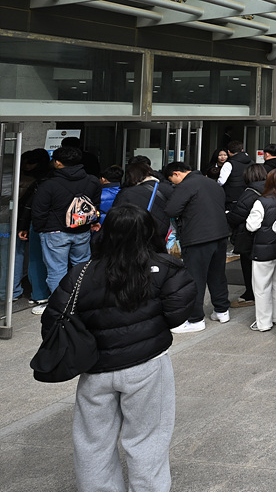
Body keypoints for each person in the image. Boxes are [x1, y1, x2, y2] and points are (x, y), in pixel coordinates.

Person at [44, 206, 195, 492]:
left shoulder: (82, 272)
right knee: (148, 439)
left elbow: (54, 318)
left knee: (92, 442)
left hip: (95, 368)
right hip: (148, 366)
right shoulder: (165, 268)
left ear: (107, 231)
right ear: (149, 231)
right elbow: (178, 315)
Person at [30, 145, 102, 314]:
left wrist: (41, 229)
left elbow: (39, 210)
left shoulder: (49, 184)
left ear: (58, 163)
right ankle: (81, 302)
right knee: (81, 267)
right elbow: (94, 206)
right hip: (82, 230)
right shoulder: (92, 180)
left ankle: (60, 305)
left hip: (54, 232)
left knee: (56, 270)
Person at [162, 161, 230, 333]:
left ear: (177, 173)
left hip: (197, 238)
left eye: (172, 179)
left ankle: (195, 319)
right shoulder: (212, 183)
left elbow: (171, 209)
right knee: (217, 274)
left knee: (195, 279)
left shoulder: (186, 186)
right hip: (220, 235)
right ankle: (222, 311)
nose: (173, 183)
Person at [244, 168, 276, 332]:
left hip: (263, 250)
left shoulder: (262, 201)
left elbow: (252, 226)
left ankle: (263, 323)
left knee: (261, 287)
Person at [224, 163, 266, 309]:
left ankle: (250, 294)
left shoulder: (250, 192)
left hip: (249, 236)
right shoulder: (271, 188)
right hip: (267, 235)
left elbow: (237, 215)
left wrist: (228, 216)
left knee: (248, 267)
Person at [111, 162, 170, 252]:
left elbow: (116, 215)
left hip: (135, 236)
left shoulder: (127, 192)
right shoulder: (167, 188)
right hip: (162, 235)